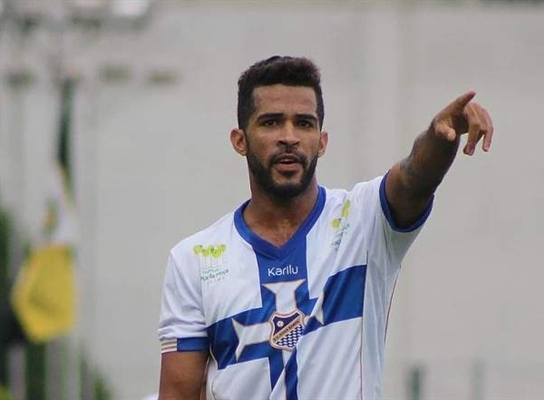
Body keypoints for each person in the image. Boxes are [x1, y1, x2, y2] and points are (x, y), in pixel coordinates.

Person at [157, 55, 493, 399]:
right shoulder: (194, 260)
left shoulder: (364, 221)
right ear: (240, 140)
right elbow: (178, 394)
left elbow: (414, 179)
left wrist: (440, 139)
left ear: (322, 140)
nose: (289, 137)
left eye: (304, 123)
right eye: (271, 122)